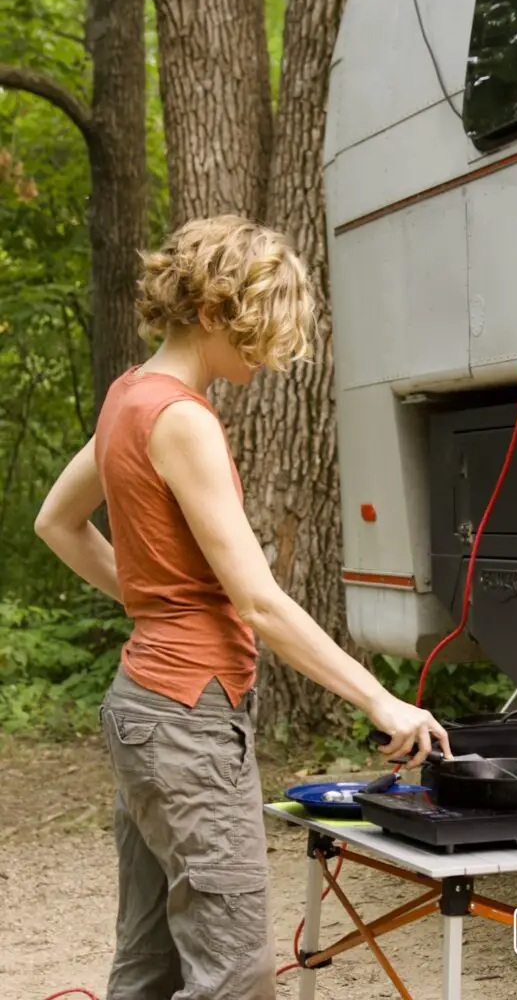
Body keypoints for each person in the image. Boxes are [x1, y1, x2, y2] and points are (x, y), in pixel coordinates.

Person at [34, 214, 452, 1000]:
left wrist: (153, 602)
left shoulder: (129, 396)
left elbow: (55, 522)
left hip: (144, 708)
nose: (264, 357)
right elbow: (257, 602)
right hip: (188, 721)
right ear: (211, 311)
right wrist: (378, 697)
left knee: (150, 960)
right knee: (236, 974)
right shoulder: (183, 419)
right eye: (256, 334)